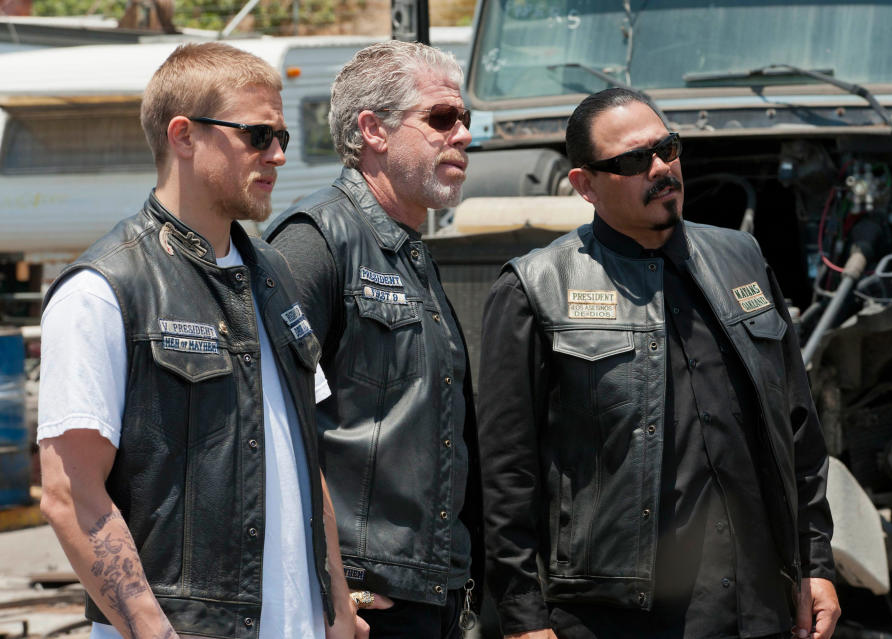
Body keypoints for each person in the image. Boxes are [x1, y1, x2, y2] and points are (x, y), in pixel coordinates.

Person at [477, 87, 841, 639]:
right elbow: (507, 471)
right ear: (585, 185)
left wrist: (815, 563)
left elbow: (797, 428)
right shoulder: (536, 288)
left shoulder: (742, 257)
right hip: (616, 618)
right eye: (632, 160)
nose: (660, 168)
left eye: (666, 149)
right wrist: (522, 617)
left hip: (759, 609)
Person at [37, 42, 362, 639]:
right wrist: (154, 632)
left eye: (283, 138)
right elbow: (69, 493)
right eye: (259, 136)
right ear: (183, 134)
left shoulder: (272, 274)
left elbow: (302, 456)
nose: (280, 156)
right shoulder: (104, 289)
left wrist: (338, 606)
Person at [264, 40, 483, 638]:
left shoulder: (411, 251)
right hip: (361, 605)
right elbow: (269, 427)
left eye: (466, 119)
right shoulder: (314, 242)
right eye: (442, 118)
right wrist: (330, 585)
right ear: (373, 131)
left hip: (429, 593)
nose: (462, 135)